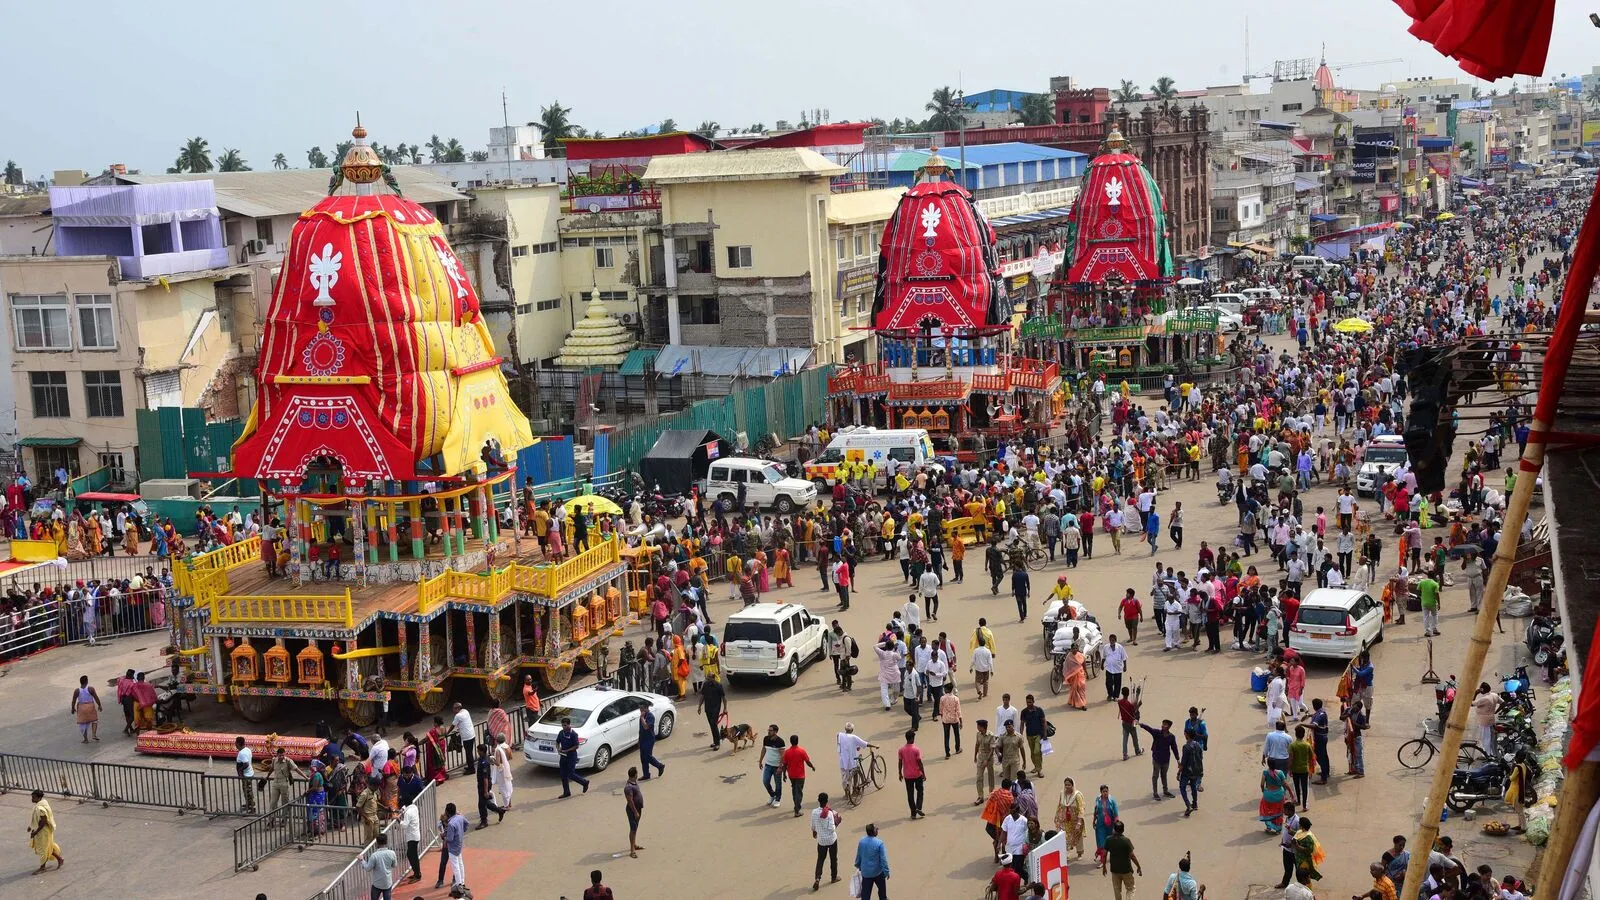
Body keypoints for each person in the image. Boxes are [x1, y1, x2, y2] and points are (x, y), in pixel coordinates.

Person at [1139, 718, 1179, 800]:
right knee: (1155, 776)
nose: (1162, 726)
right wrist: (1140, 724)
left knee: (1164, 775)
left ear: (1169, 727)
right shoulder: (1157, 733)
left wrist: (1178, 759)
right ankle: (1155, 793)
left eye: (1165, 724)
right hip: (1156, 758)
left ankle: (1165, 791)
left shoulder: (1171, 737)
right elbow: (1149, 729)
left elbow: (1174, 748)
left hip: (1166, 759)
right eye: (1162, 724)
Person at [1102, 819, 1142, 900]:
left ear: (1114, 830)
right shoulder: (1126, 841)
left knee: (1117, 890)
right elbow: (1132, 856)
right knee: (1130, 889)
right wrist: (1138, 867)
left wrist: (1104, 867)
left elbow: (1104, 854)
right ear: (1123, 830)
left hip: (1115, 870)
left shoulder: (1108, 840)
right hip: (1126, 870)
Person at [811, 792, 843, 891]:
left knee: (820, 859)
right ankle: (834, 877)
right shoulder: (829, 813)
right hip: (831, 839)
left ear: (818, 801)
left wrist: (815, 833)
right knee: (833, 858)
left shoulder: (814, 812)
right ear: (827, 801)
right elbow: (832, 828)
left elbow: (813, 826)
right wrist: (837, 822)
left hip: (821, 841)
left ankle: (817, 878)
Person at [27, 789, 64, 873]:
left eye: (33, 797)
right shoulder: (42, 804)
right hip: (42, 830)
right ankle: (59, 859)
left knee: (43, 849)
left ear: (39, 798)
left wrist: (35, 832)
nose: (32, 799)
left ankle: (42, 867)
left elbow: (43, 821)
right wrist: (31, 826)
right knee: (47, 847)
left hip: (43, 831)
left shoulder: (40, 808)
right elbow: (37, 819)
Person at [438, 802, 469, 893]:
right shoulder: (460, 817)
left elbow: (450, 839)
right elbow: (467, 823)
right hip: (459, 845)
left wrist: (444, 837)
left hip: (452, 848)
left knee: (456, 867)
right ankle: (462, 883)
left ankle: (459, 885)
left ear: (447, 812)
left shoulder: (451, 824)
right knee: (460, 864)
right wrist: (461, 832)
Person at [854, 822, 890, 900]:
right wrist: (886, 871)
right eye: (876, 829)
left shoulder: (862, 842)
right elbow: (883, 859)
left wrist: (859, 866)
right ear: (873, 832)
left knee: (865, 895)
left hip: (866, 873)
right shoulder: (879, 843)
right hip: (878, 872)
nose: (877, 829)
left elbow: (859, 855)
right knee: (882, 892)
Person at [473, 743, 505, 829]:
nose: (477, 752)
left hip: (484, 785)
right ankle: (500, 811)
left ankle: (484, 822)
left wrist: (486, 791)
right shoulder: (483, 758)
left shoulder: (484, 762)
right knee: (485, 802)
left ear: (482, 751)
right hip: (481, 784)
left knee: (481, 804)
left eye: (478, 751)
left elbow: (485, 778)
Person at [556, 716, 590, 797]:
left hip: (571, 756)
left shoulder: (573, 734)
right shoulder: (561, 733)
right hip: (563, 756)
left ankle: (584, 782)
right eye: (562, 725)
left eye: (565, 725)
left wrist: (567, 750)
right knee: (563, 775)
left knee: (571, 774)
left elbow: (576, 746)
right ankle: (566, 792)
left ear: (569, 725)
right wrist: (558, 748)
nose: (563, 727)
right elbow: (557, 742)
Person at [1054, 776, 1087, 860]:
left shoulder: (1077, 795)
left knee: (1078, 836)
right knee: (1066, 836)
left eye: (1069, 785)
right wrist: (1057, 816)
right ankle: (1067, 853)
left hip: (1076, 820)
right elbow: (1060, 805)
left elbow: (1081, 808)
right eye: (1066, 785)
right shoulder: (1062, 793)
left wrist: (1079, 822)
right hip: (1065, 819)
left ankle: (1080, 853)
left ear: (1072, 785)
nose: (1067, 786)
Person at [360, 832, 399, 900]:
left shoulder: (374, 855)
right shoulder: (392, 853)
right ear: (386, 842)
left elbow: (367, 868)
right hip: (387, 883)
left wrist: (362, 860)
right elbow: (394, 865)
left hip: (377, 884)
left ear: (377, 843)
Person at [784, 734, 815, 817]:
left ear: (790, 741)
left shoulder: (787, 752)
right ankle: (797, 810)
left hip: (791, 775)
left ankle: (796, 805)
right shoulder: (801, 751)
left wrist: (784, 775)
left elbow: (784, 765)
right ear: (797, 741)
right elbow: (807, 761)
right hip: (800, 776)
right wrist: (812, 766)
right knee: (799, 792)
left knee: (794, 790)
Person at [897, 730, 926, 818]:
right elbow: (920, 762)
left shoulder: (901, 750)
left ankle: (913, 813)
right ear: (912, 738)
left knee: (910, 794)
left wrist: (900, 773)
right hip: (917, 774)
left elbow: (900, 762)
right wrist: (923, 773)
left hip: (907, 775)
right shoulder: (916, 749)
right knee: (920, 791)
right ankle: (919, 807)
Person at [837, 723, 873, 793]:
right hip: (852, 761)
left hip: (843, 762)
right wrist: (874, 746)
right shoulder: (854, 737)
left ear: (845, 729)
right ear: (852, 730)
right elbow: (865, 744)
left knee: (844, 777)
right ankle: (855, 789)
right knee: (856, 771)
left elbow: (842, 745)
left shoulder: (840, 735)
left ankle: (846, 792)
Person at [1259, 762, 1294, 834]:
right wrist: (1290, 792)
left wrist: (1264, 791)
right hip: (1279, 795)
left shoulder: (1265, 773)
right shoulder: (1280, 773)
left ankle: (1269, 827)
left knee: (1267, 811)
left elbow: (1262, 784)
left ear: (1268, 764)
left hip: (1268, 795)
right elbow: (1285, 784)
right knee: (1279, 812)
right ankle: (1278, 829)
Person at [1020, 694, 1049, 777]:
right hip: (1029, 735)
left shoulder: (1039, 710)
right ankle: (1036, 766)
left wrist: (1045, 733)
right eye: (1027, 702)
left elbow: (1044, 721)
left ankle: (1039, 770)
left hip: (1038, 734)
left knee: (1037, 751)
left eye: (1030, 702)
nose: (1028, 704)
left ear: (1033, 701)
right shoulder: (1024, 712)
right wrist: (1020, 735)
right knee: (1032, 753)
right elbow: (1022, 724)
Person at [396, 795, 422, 885]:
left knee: (412, 856)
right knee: (412, 855)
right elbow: (405, 807)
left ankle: (417, 875)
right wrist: (402, 810)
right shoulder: (414, 807)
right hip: (414, 836)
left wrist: (398, 820)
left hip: (412, 837)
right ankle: (416, 873)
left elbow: (404, 825)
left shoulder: (408, 813)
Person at [1178, 728, 1204, 816]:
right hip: (1197, 770)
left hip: (1187, 771)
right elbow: (1201, 757)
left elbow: (1183, 762)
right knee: (1193, 786)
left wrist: (1179, 772)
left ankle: (1188, 806)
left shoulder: (1186, 747)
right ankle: (1195, 804)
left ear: (1187, 735)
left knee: (1182, 787)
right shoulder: (1198, 745)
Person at [1289, 725, 1314, 811]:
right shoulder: (1307, 745)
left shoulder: (1292, 745)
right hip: (1304, 769)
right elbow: (1312, 757)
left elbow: (1291, 759)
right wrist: (1310, 769)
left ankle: (1298, 801)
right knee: (1305, 788)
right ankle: (1304, 806)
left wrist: (1290, 769)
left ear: (1296, 734)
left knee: (1296, 786)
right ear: (1303, 734)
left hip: (1295, 769)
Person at [1292, 816, 1324, 885]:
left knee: (1304, 878)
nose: (1299, 825)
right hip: (1299, 859)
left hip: (1304, 860)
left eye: (1299, 824)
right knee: (1301, 877)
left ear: (1302, 826)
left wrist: (1297, 846)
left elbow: (1309, 850)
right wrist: (1290, 831)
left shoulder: (1308, 837)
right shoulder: (1301, 832)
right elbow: (1297, 834)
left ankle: (1308, 890)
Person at [1092, 784, 1119, 865]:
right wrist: (1094, 821)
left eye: (1106, 791)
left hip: (1110, 826)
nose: (1105, 793)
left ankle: (1113, 856)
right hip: (1100, 825)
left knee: (1111, 842)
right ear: (1101, 792)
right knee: (1101, 843)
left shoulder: (1112, 801)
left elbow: (1116, 814)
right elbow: (1096, 811)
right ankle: (1102, 860)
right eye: (1103, 792)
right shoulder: (1098, 800)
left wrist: (1116, 826)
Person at [69, 674, 101, 743]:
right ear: (87, 681)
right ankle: (94, 734)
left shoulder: (77, 691)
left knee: (82, 724)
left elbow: (73, 700)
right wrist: (99, 705)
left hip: (81, 708)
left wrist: (72, 708)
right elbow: (96, 698)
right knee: (94, 721)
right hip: (90, 706)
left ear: (80, 682)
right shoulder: (91, 689)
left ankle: (85, 739)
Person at [973, 719, 998, 804]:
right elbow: (977, 745)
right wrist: (975, 756)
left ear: (982, 727)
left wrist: (987, 760)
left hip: (989, 758)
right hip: (980, 757)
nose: (977, 727)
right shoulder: (978, 734)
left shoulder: (991, 735)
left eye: (978, 726)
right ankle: (980, 796)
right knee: (979, 777)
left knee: (991, 776)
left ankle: (991, 793)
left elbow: (992, 749)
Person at [623, 766, 644, 858]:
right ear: (635, 775)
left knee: (635, 828)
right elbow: (630, 801)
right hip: (633, 810)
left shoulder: (633, 783)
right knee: (633, 829)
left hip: (638, 809)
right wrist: (635, 812)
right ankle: (632, 851)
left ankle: (634, 845)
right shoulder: (628, 787)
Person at [939, 681, 963, 759]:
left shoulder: (942, 698)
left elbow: (940, 710)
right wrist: (961, 721)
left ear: (946, 689)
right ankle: (957, 748)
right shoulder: (956, 698)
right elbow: (958, 710)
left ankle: (947, 753)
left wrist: (942, 718)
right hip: (954, 719)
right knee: (956, 734)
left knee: (946, 736)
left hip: (946, 719)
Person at [1118, 687, 1143, 760]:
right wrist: (1139, 704)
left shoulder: (1119, 702)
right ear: (1128, 694)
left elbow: (1132, 705)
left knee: (1125, 740)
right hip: (1132, 723)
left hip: (1124, 723)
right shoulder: (1129, 704)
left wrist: (1137, 695)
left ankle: (1125, 755)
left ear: (1122, 693)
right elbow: (1134, 711)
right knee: (1135, 738)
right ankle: (1137, 751)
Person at [1103, 634, 1129, 701]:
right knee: (1108, 683)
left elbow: (1124, 657)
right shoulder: (1106, 647)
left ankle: (1116, 696)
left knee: (1117, 683)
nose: (1111, 642)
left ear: (1115, 640)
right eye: (1110, 640)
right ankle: (1110, 694)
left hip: (1118, 668)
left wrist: (1125, 666)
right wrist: (1102, 665)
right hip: (1109, 668)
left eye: (1113, 640)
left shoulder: (1120, 647)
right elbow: (1104, 657)